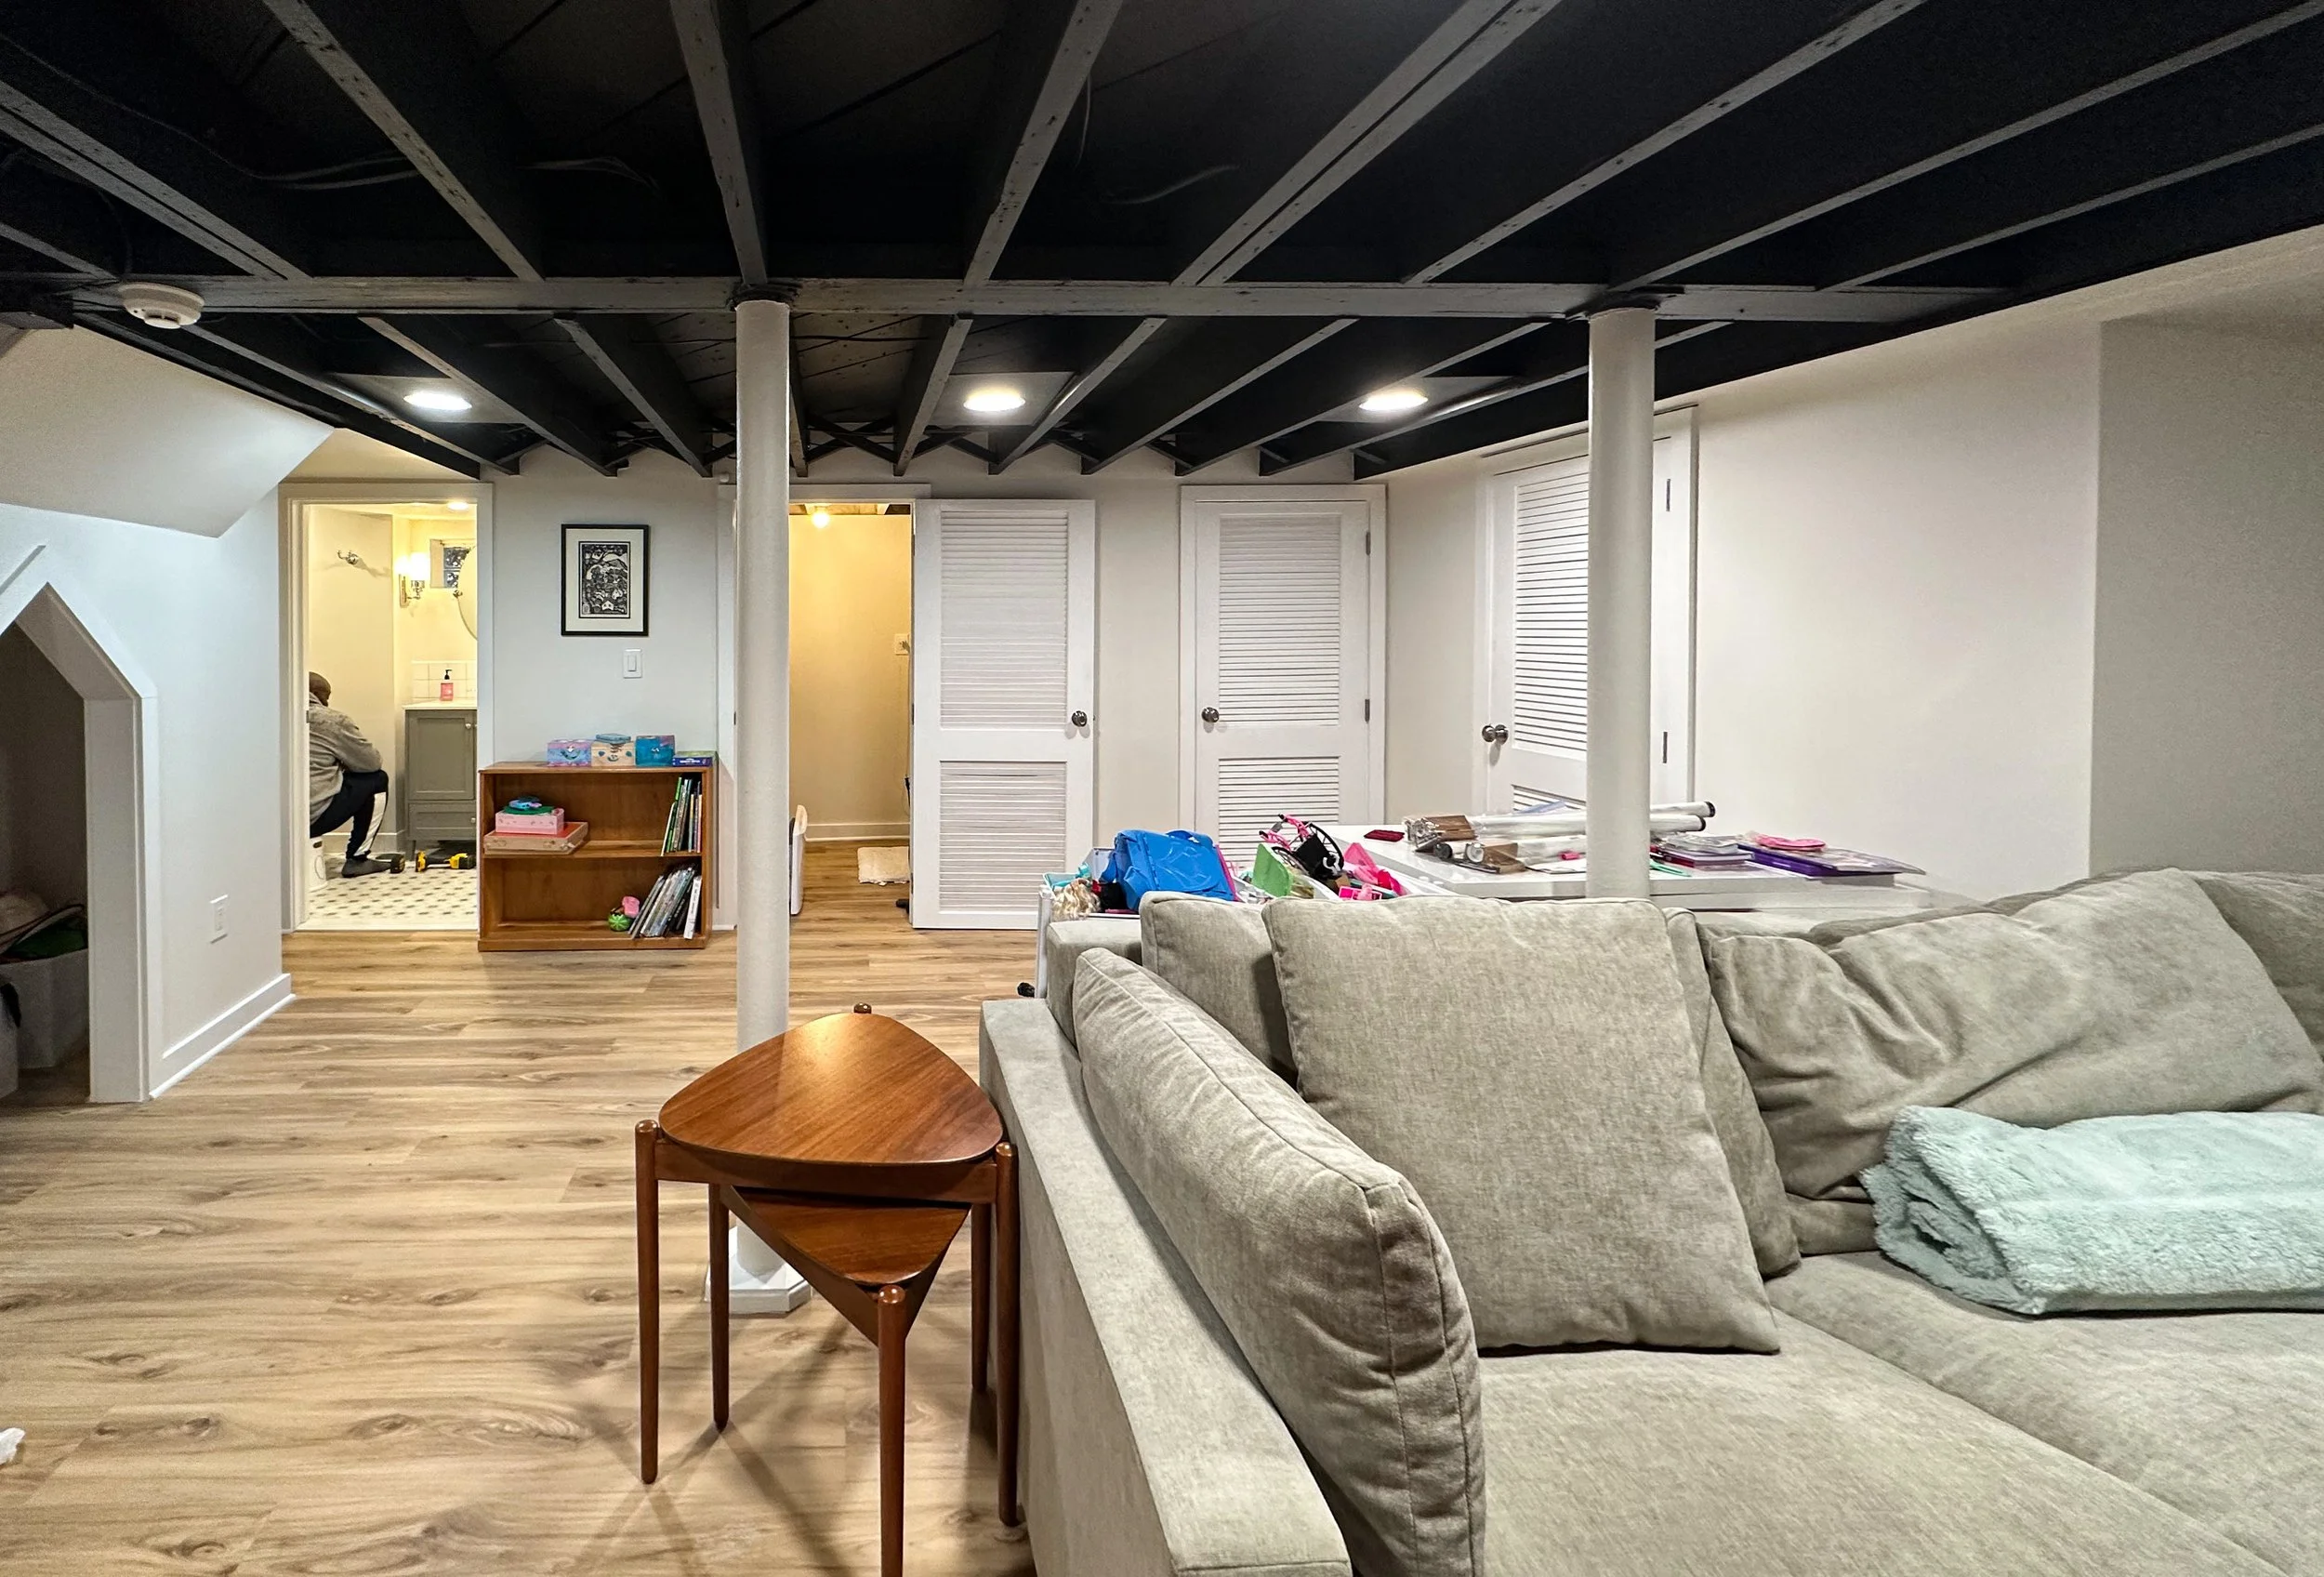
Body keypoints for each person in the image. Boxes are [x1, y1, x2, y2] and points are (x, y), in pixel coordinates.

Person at [308, 672, 391, 878]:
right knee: (377, 779)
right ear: (317, 694)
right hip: (313, 817)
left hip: (273, 821)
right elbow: (371, 763)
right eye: (326, 697)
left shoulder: (270, 714)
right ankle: (357, 858)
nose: (327, 702)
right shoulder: (332, 721)